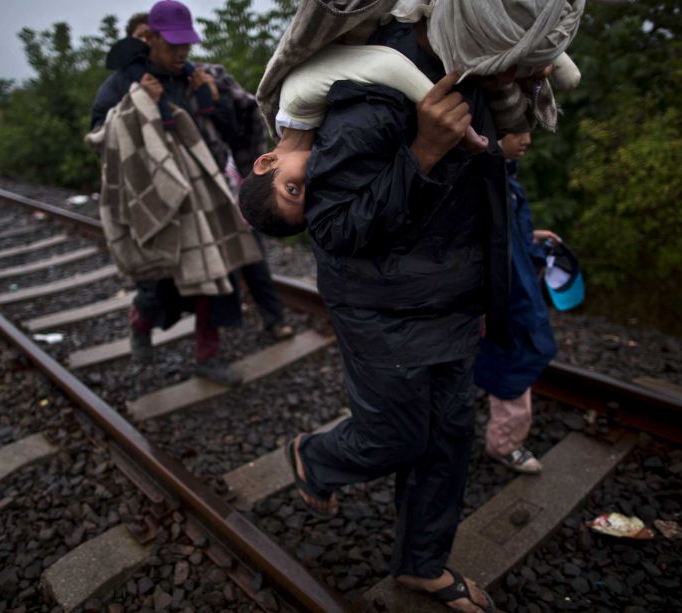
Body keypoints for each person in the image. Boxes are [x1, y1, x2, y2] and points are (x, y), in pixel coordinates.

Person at [257, 0, 583, 611]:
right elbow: (334, 229)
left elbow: (478, 185)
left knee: (449, 439)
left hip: (452, 297)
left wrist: (491, 283)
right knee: (397, 437)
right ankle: (315, 457)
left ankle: (421, 565)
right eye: (509, 70)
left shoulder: (477, 71)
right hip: (383, 307)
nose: (514, 82)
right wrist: (424, 153)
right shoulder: (370, 102)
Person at [87, 0, 291, 387]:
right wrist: (135, 105)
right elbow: (100, 133)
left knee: (216, 279)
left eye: (186, 45)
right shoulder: (125, 82)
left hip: (208, 196)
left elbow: (233, 136)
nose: (181, 53)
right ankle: (141, 321)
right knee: (162, 283)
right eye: (173, 45)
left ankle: (207, 356)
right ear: (151, 38)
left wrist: (212, 102)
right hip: (159, 200)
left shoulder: (198, 78)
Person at [239, 43, 579, 236]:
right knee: (557, 74)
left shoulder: (297, 102)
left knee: (567, 76)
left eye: (293, 188)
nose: (312, 184)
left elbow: (385, 64)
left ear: (266, 161)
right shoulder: (319, 133)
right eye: (309, 199)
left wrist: (463, 131)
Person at [474, 130, 559, 474]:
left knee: (510, 358)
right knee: (514, 361)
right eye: (515, 132)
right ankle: (504, 444)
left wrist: (532, 237)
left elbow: (507, 236)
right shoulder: (485, 184)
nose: (526, 140)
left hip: (515, 289)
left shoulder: (505, 181)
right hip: (504, 295)